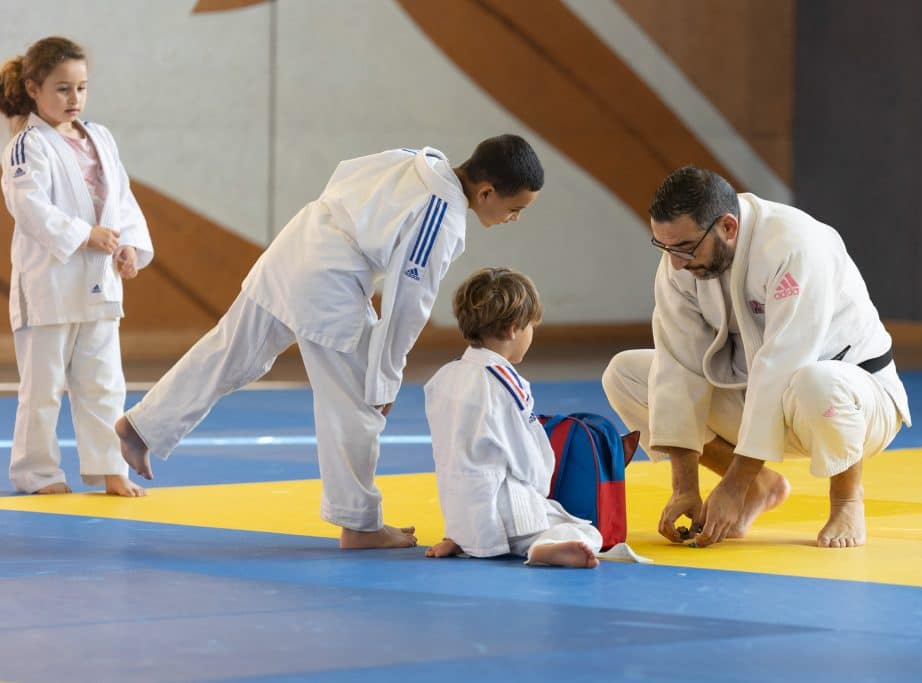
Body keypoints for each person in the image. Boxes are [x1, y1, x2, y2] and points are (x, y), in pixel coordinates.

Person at [115, 136, 544, 549]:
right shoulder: (443, 217)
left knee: (228, 351)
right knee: (356, 402)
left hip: (297, 243)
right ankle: (359, 524)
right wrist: (385, 378)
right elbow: (407, 304)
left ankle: (144, 425)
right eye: (515, 209)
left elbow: (344, 175)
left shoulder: (415, 157)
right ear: (486, 192)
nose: (515, 218)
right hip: (329, 279)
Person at [602, 166, 911, 548]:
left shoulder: (794, 245)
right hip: (758, 396)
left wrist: (734, 485)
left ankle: (847, 499)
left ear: (728, 227)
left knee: (817, 381)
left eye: (684, 248)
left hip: (851, 403)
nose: (676, 262)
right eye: (665, 247)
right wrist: (685, 487)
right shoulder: (680, 259)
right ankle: (761, 486)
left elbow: (783, 366)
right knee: (626, 375)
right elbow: (677, 367)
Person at [0, 36, 153, 496]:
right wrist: (85, 235)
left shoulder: (100, 138)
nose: (74, 98)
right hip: (48, 284)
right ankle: (38, 473)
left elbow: (122, 199)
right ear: (33, 88)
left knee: (104, 382)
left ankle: (111, 467)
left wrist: (128, 245)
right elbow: (29, 208)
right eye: (63, 88)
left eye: (81, 88)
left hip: (99, 282)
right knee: (43, 388)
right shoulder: (26, 145)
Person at [424, 267, 601, 568]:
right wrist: (540, 489)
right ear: (512, 329)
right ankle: (541, 546)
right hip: (504, 516)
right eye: (531, 327)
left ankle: (463, 540)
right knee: (586, 531)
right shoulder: (503, 381)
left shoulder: (442, 378)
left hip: (460, 514)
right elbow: (527, 452)